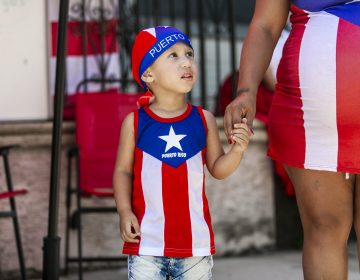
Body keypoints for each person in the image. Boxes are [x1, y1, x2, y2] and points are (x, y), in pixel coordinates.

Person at [224, 0, 360, 279]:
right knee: (324, 227)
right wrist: (246, 90)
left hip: (316, 102)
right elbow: (265, 24)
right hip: (313, 113)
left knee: (325, 228)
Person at [113, 26, 251, 280]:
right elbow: (122, 171)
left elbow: (218, 168)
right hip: (147, 243)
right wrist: (124, 211)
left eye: (189, 53)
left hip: (194, 246)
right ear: (148, 74)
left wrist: (238, 150)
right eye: (173, 55)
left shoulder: (204, 119)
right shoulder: (134, 122)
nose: (186, 61)